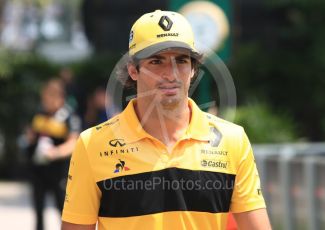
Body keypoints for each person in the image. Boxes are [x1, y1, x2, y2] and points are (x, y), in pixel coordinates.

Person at [61, 10, 271, 230]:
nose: (170, 74)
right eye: (156, 61)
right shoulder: (92, 144)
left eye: (181, 60)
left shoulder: (232, 140)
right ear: (133, 70)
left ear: (192, 69)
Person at [25, 78, 81, 230]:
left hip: (59, 170)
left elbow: (73, 142)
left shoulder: (69, 116)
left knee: (62, 210)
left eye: (49, 98)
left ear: (59, 98)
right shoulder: (39, 114)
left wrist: (54, 153)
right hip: (38, 170)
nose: (46, 101)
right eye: (44, 98)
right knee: (38, 210)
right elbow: (31, 134)